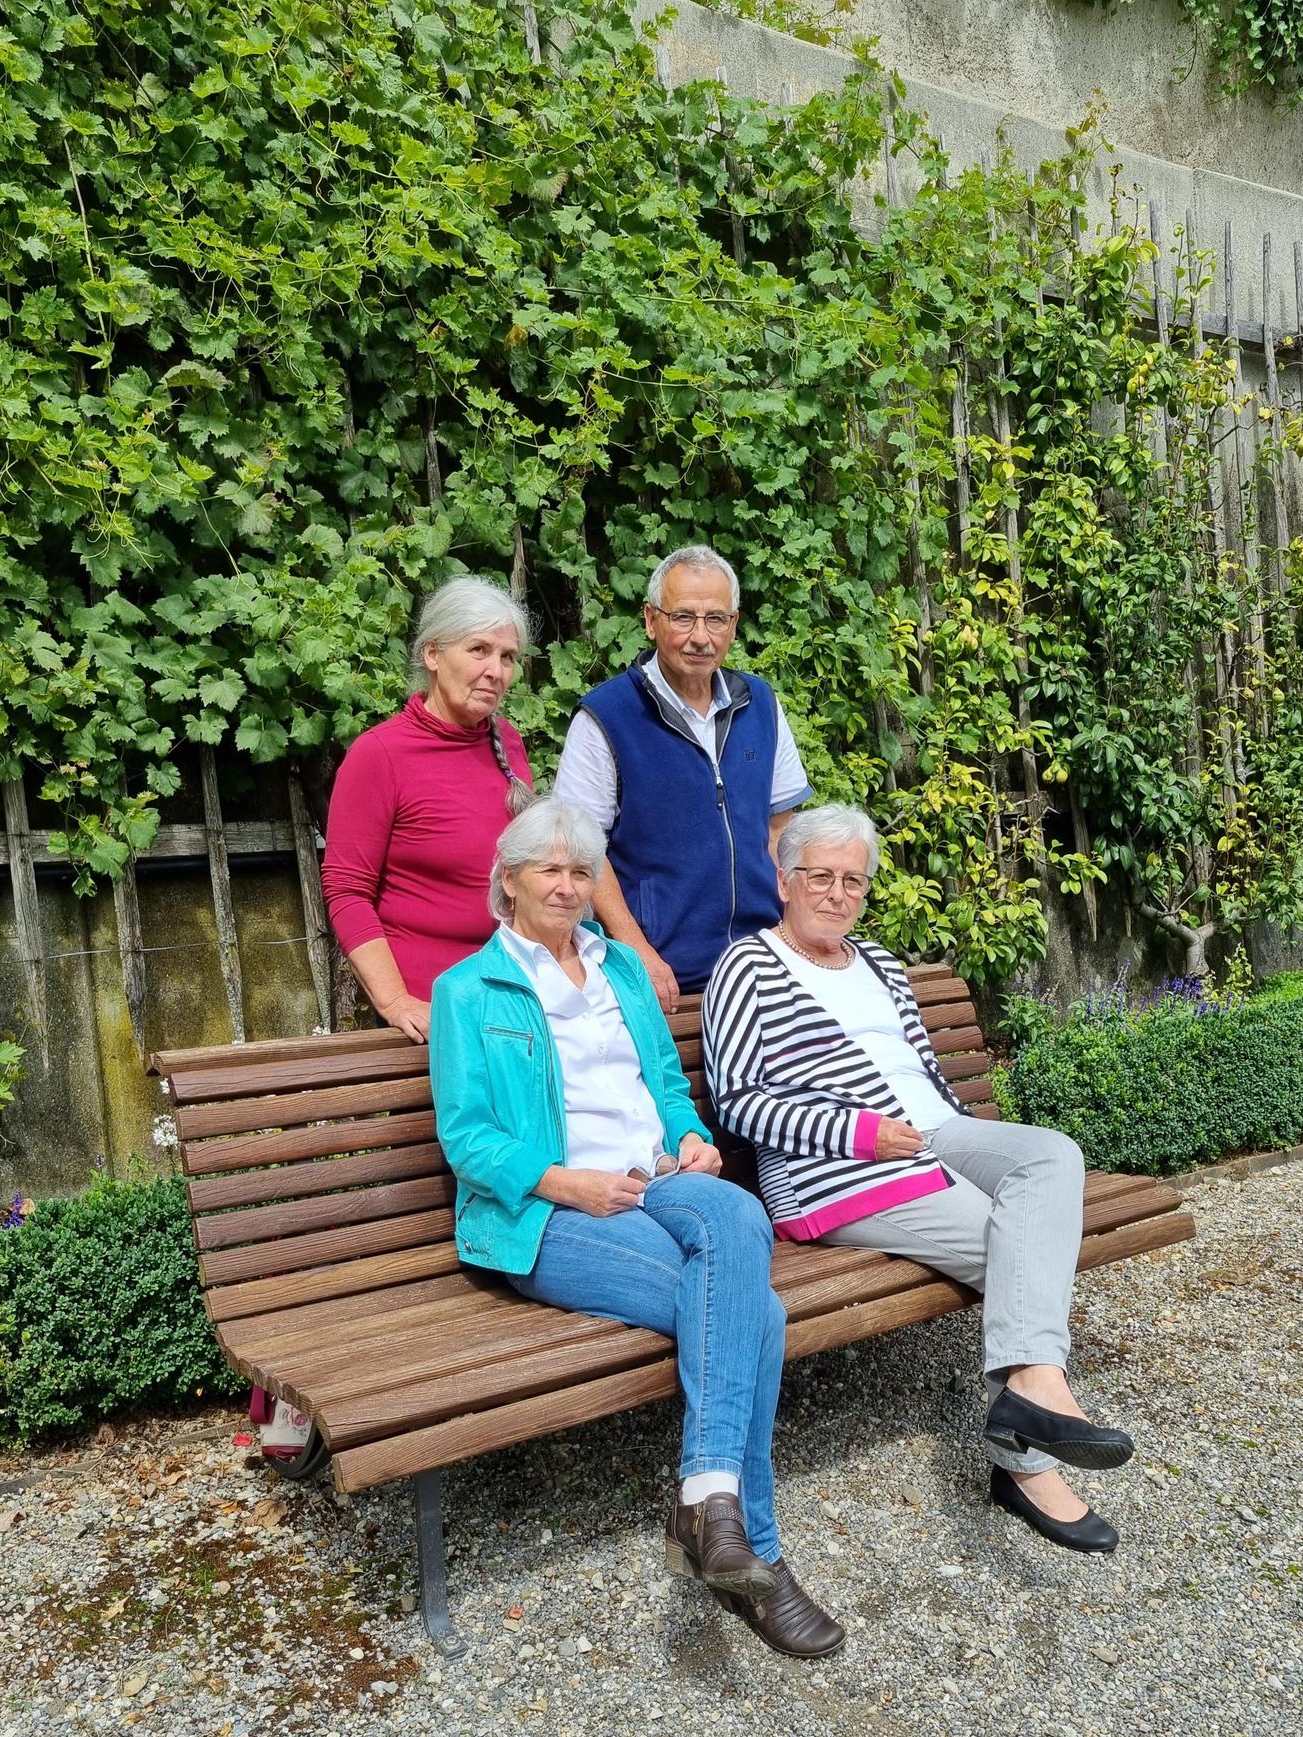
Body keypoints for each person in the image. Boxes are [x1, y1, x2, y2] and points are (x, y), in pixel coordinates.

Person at [430, 796, 844, 1658]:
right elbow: (467, 1136)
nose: (569, 886)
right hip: (543, 1214)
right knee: (755, 1313)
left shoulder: (619, 968)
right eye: (550, 869)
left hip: (653, 1181)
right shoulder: (467, 991)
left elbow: (662, 1079)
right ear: (507, 880)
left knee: (733, 1208)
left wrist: (689, 1136)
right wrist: (564, 1183)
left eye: (582, 871)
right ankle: (750, 1548)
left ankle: (704, 1494)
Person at [702, 803, 1136, 1555]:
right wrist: (859, 1132)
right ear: (785, 880)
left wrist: (944, 1135)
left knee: (1053, 1155)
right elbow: (738, 1102)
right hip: (836, 1169)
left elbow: (921, 1074)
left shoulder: (876, 961)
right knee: (1015, 1247)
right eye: (822, 877)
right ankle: (1025, 1456)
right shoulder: (746, 967)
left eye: (854, 881)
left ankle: (1029, 1401)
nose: (838, 894)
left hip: (938, 1132)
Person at [553, 545, 812, 1009]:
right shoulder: (606, 717)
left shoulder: (761, 704)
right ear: (651, 621)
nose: (700, 636)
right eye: (683, 617)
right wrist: (636, 952)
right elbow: (581, 850)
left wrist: (790, 934)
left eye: (715, 618)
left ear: (733, 625)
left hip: (762, 961)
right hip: (665, 975)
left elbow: (781, 830)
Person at [321, 575, 534, 1041]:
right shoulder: (380, 754)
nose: (496, 670)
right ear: (433, 655)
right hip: (434, 1010)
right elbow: (346, 890)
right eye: (479, 650)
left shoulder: (509, 744)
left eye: (507, 656)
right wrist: (395, 1001)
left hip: (515, 997)